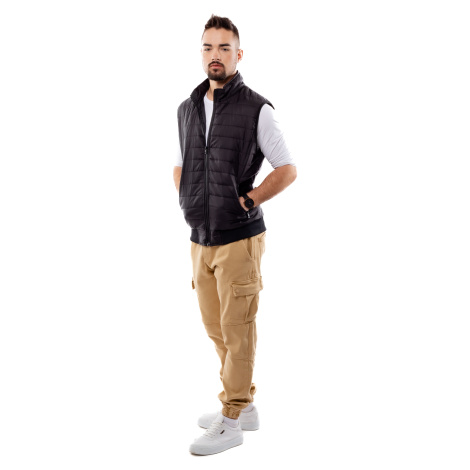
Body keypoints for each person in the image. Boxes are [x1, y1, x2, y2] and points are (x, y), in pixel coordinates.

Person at [173, 14, 297, 455]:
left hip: (239, 239)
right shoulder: (187, 108)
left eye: (224, 48)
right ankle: (245, 406)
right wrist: (187, 200)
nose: (216, 55)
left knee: (237, 329)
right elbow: (180, 163)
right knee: (217, 329)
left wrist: (252, 198)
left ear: (238, 55)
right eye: (208, 47)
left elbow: (287, 169)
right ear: (201, 53)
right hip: (200, 238)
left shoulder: (257, 108)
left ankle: (231, 419)